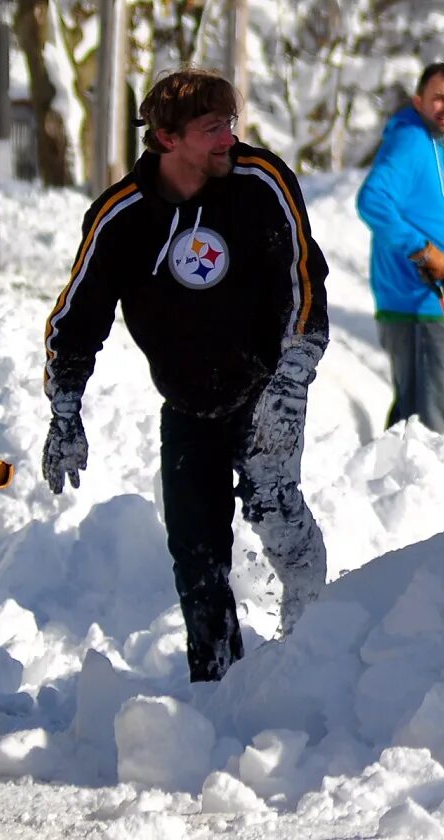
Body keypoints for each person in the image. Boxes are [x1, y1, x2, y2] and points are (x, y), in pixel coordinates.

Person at [40, 70, 329, 681]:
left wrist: (292, 379)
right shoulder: (122, 215)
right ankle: (217, 686)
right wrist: (65, 406)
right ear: (167, 139)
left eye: (231, 123)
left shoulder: (261, 181)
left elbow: (305, 281)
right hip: (189, 406)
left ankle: (313, 640)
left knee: (275, 512)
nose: (229, 138)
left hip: (265, 393)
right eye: (212, 128)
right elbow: (76, 316)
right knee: (195, 557)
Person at [357, 62, 444, 433]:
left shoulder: (433, 140)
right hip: (416, 302)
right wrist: (422, 250)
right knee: (428, 424)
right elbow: (371, 200)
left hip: (426, 301)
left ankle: (399, 489)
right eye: (438, 98)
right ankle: (429, 492)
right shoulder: (410, 140)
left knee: (412, 417)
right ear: (419, 100)